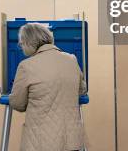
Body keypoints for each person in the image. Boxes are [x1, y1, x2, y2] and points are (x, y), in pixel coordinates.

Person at [9, 23, 87, 151]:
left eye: (21, 43)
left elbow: (18, 104)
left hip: (40, 142)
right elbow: (82, 90)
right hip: (71, 141)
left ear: (30, 42)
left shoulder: (26, 66)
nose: (21, 47)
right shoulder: (71, 59)